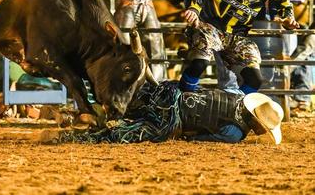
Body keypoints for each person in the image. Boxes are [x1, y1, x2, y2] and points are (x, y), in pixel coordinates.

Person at [60, 81, 284, 145]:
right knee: (127, 133)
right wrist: (185, 135)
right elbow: (197, 139)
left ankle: (77, 112)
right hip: (171, 118)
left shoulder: (235, 94)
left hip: (170, 93)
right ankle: (80, 137)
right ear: (257, 124)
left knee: (122, 104)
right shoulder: (234, 134)